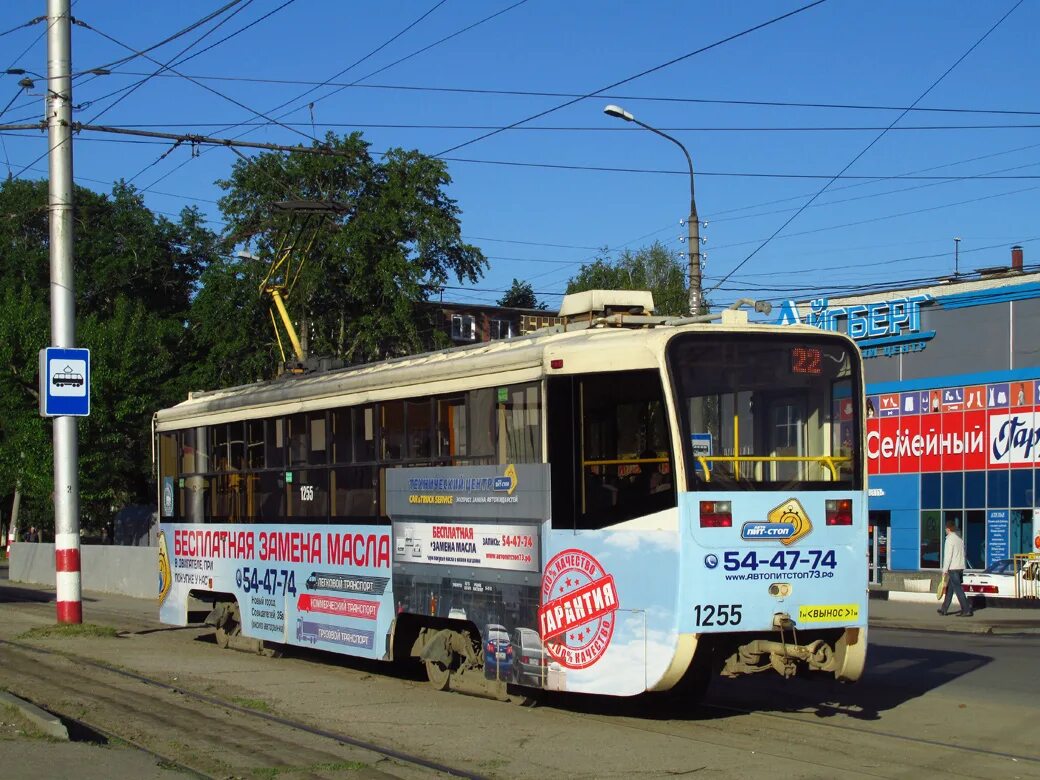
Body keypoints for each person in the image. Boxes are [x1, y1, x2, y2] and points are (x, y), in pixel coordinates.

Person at [938, 521, 973, 617]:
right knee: (950, 589)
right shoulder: (959, 540)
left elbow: (948, 557)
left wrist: (944, 570)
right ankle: (943, 609)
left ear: (948, 529)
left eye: (945, 529)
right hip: (960, 568)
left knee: (958, 590)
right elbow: (963, 555)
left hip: (953, 568)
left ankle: (966, 610)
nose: (945, 531)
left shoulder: (949, 540)